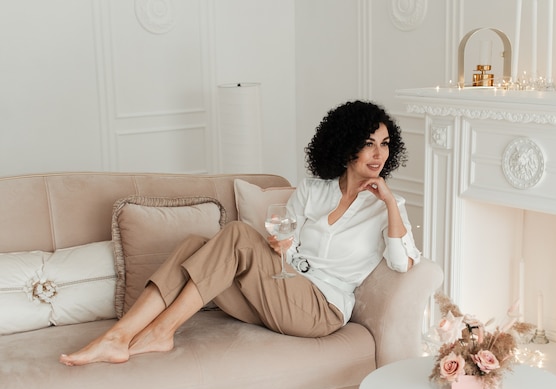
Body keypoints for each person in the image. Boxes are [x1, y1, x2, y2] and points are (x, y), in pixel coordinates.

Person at [59, 100, 421, 366]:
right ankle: (119, 336)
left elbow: (402, 263)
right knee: (192, 245)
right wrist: (282, 247)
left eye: (385, 143)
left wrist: (388, 203)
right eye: (369, 143)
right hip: (282, 289)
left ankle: (160, 332)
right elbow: (288, 245)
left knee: (235, 233)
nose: (379, 154)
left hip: (320, 309)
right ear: (345, 147)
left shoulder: (389, 207)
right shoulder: (314, 190)